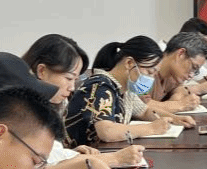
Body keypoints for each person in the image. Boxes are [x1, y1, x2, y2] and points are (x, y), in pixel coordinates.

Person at [21, 33, 146, 169]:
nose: (72, 87)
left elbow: (50, 155)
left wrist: (69, 153)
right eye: (68, 78)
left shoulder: (54, 103)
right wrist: (115, 159)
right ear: (42, 71)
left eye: (75, 80)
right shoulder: (22, 109)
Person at [64, 37, 197, 146]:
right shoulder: (101, 87)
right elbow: (107, 131)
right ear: (129, 63)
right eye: (149, 72)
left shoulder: (125, 90)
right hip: (76, 158)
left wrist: (175, 119)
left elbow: (144, 111)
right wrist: (151, 128)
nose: (151, 79)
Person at [146, 30, 207, 115]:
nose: (191, 75)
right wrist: (180, 105)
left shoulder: (173, 75)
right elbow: (139, 106)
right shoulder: (146, 68)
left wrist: (177, 96)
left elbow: (179, 90)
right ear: (180, 54)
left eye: (196, 71)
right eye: (193, 67)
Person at [170, 17, 207, 96]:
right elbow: (167, 94)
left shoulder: (190, 59)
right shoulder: (161, 58)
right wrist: (198, 89)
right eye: (205, 46)